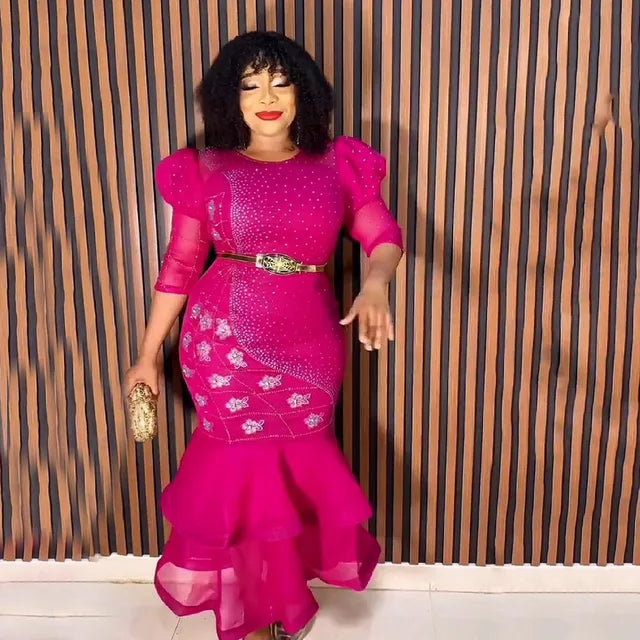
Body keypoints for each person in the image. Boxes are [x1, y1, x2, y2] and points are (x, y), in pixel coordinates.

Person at [124, 30, 404, 640]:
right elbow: (180, 266)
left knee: (293, 474)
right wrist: (146, 357)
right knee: (239, 475)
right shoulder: (206, 168)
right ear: (232, 98)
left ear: (304, 92)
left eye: (280, 82)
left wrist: (377, 283)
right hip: (222, 342)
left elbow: (382, 235)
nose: (267, 97)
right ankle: (253, 616)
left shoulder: (337, 164)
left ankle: (280, 599)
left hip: (310, 344)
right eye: (250, 85)